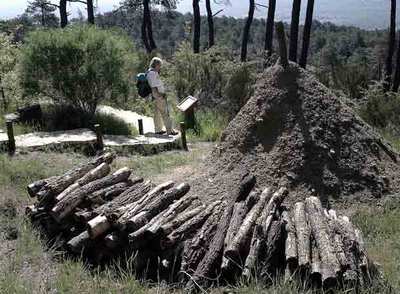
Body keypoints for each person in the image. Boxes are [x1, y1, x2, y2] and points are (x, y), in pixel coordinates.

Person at [146, 57, 177, 135]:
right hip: (158, 95)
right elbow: (154, 86)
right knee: (165, 112)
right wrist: (161, 95)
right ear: (156, 64)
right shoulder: (153, 73)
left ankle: (158, 130)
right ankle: (170, 131)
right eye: (159, 65)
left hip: (154, 96)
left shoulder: (149, 72)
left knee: (157, 113)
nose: (160, 67)